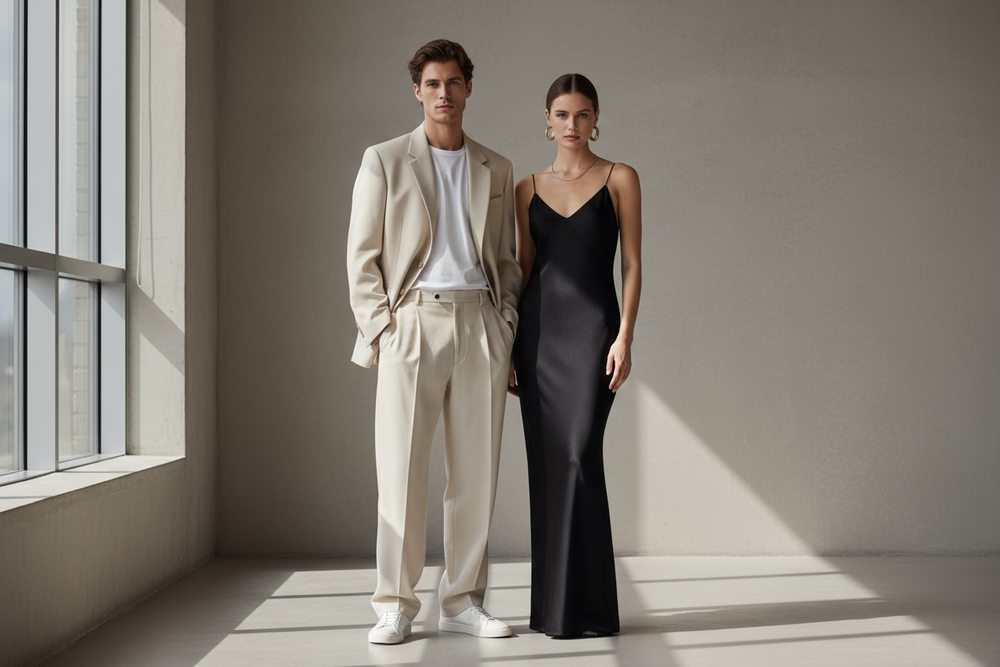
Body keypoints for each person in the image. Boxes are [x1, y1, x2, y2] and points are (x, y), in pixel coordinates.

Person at [346, 39, 521, 645]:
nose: (443, 93)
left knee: (476, 473)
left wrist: (505, 325)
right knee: (401, 472)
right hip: (412, 323)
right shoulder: (385, 159)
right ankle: (394, 603)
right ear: (417, 91)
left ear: (468, 88)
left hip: (480, 322)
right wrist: (382, 328)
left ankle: (463, 600)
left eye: (453, 82)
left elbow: (506, 258)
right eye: (432, 83)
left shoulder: (496, 167)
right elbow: (361, 256)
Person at [509, 73, 642, 638]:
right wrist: (509, 346)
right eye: (562, 115)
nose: (572, 124)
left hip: (593, 335)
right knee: (548, 466)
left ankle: (588, 608)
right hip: (538, 337)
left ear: (596, 119)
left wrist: (625, 336)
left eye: (582, 114)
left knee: (578, 456)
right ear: (547, 121)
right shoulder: (526, 187)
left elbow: (631, 264)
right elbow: (522, 269)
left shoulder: (620, 177)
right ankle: (554, 609)